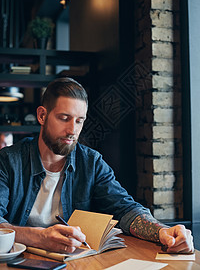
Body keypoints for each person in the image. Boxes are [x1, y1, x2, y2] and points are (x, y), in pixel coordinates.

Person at [0, 77, 193, 254]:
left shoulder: (91, 162)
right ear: (42, 116)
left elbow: (125, 209)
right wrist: (39, 237)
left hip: (77, 262)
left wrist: (163, 232)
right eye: (64, 118)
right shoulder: (8, 161)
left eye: (79, 121)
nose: (72, 130)